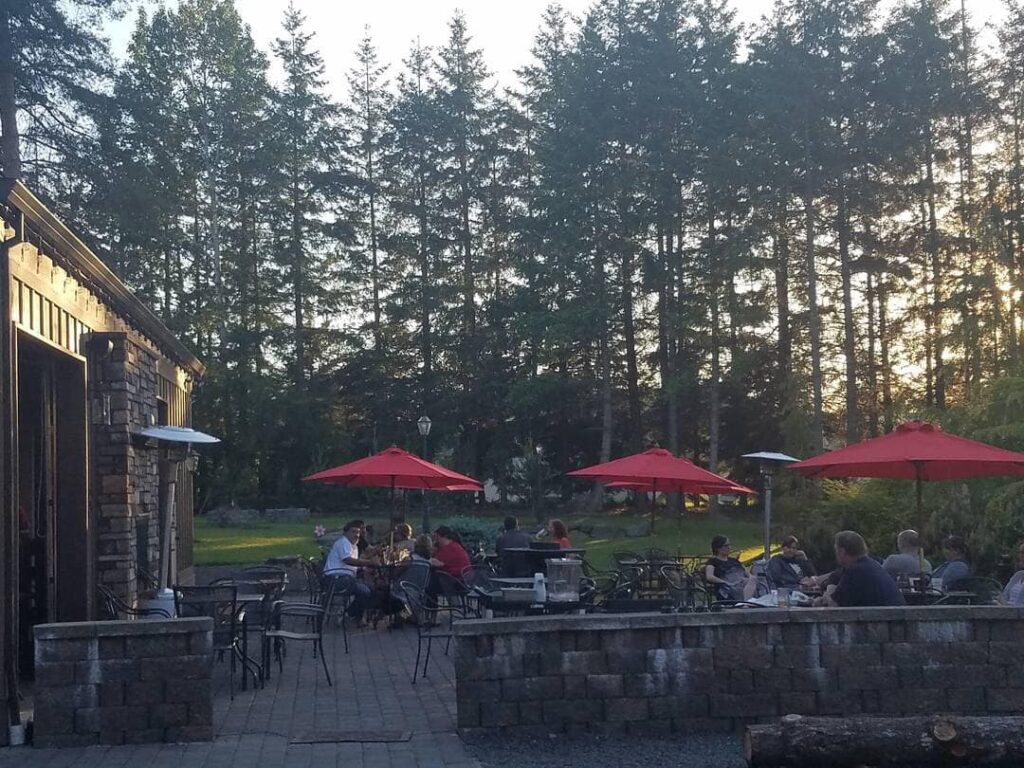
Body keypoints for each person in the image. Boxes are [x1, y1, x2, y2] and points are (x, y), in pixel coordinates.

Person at [825, 530, 905, 607]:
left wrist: (828, 594)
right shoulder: (873, 565)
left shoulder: (855, 571)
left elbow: (834, 607)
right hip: (893, 618)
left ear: (842, 551)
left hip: (880, 620)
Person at [324, 520, 379, 625]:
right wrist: (369, 562)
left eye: (358, 532)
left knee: (373, 588)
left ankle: (352, 614)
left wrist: (363, 569)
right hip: (335, 580)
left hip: (345, 578)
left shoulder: (353, 546)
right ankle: (351, 614)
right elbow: (348, 560)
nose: (356, 535)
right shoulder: (344, 542)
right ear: (345, 533)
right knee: (365, 591)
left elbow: (349, 565)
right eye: (353, 532)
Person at [704, 535, 758, 601]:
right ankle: (746, 603)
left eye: (729, 545)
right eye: (726, 546)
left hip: (741, 585)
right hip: (727, 588)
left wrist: (747, 579)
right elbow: (709, 576)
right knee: (750, 583)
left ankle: (746, 602)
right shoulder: (713, 562)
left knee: (753, 579)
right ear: (718, 548)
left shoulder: (734, 561)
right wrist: (724, 582)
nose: (729, 548)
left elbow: (747, 574)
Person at [999, 541, 1024, 606]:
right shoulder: (1018, 575)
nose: (1021, 556)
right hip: (1008, 613)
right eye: (1020, 553)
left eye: (1023, 552)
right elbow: (1004, 596)